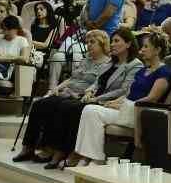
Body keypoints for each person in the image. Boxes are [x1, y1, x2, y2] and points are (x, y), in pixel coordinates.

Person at [66, 33, 171, 167]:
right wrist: (114, 102)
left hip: (138, 112)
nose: (142, 50)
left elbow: (152, 98)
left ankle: (95, 159)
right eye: (142, 47)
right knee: (89, 109)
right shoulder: (143, 71)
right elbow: (128, 93)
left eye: (146, 47)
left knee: (92, 111)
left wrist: (124, 105)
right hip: (126, 108)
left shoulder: (164, 72)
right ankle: (90, 157)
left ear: (157, 50)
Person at [44, 28, 142, 168]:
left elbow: (124, 90)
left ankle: (75, 153)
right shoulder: (111, 63)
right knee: (63, 105)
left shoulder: (135, 65)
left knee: (74, 108)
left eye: (116, 41)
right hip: (93, 98)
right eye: (112, 41)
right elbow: (97, 82)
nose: (112, 44)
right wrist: (89, 91)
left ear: (128, 44)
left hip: (108, 102)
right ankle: (63, 150)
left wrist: (97, 98)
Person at [15, 29, 114, 163]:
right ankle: (28, 146)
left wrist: (73, 93)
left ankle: (50, 148)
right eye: (87, 42)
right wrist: (56, 88)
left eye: (92, 42)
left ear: (102, 44)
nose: (89, 45)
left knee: (57, 106)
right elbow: (71, 79)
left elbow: (97, 86)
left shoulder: (107, 64)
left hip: (78, 95)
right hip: (67, 91)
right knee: (39, 104)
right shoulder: (86, 59)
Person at [0, 14, 33, 81]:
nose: (5, 32)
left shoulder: (22, 40)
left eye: (8, 30)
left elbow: (24, 58)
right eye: (4, 29)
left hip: (10, 68)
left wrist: (6, 58)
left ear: (16, 29)